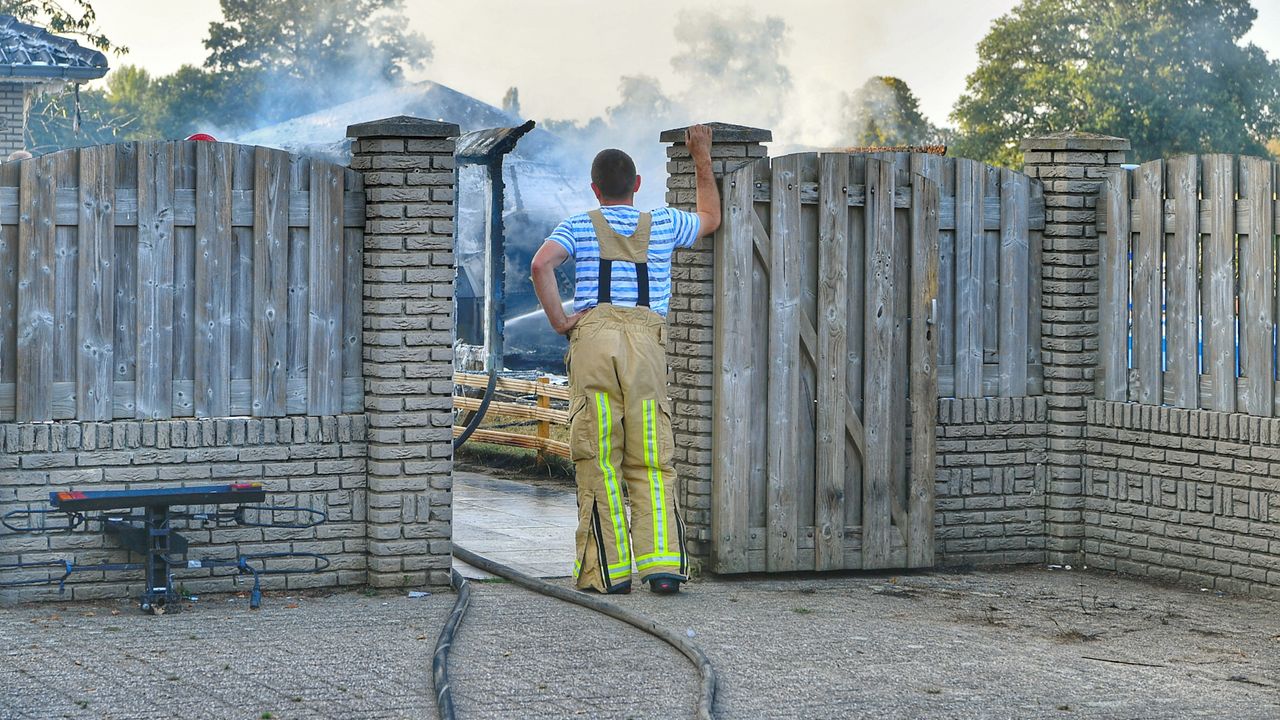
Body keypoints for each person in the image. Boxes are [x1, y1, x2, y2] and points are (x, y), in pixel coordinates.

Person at [530, 125, 720, 595]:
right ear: (637, 185)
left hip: (593, 341)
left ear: (594, 189)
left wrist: (560, 320)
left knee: (599, 456)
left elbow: (541, 265)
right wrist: (701, 156)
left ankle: (608, 576)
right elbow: (710, 217)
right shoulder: (663, 223)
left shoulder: (577, 225)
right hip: (646, 345)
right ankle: (662, 570)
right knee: (652, 456)